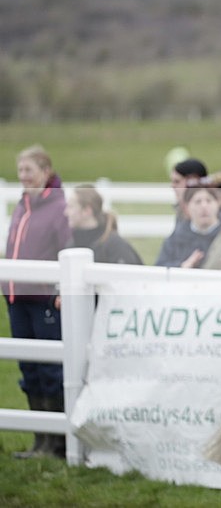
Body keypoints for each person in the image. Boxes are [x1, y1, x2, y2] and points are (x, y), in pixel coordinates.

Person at [2, 144, 71, 459]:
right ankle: (40, 439)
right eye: (21, 170)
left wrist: (60, 289)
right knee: (28, 367)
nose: (23, 176)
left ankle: (57, 443)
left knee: (49, 368)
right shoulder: (22, 205)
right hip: (16, 298)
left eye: (29, 170)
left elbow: (67, 248)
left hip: (43, 299)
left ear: (46, 171)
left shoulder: (58, 207)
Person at [64, 184, 143, 265]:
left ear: (87, 211)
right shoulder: (71, 245)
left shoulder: (116, 246)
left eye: (71, 206)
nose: (66, 212)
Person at [155, 182, 221, 268]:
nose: (204, 206)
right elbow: (159, 267)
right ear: (186, 207)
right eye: (197, 202)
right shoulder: (177, 237)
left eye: (209, 201)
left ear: (218, 204)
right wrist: (182, 266)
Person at [169, 157, 208, 222]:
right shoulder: (181, 210)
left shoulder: (210, 215)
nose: (172, 186)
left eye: (177, 181)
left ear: (193, 182)